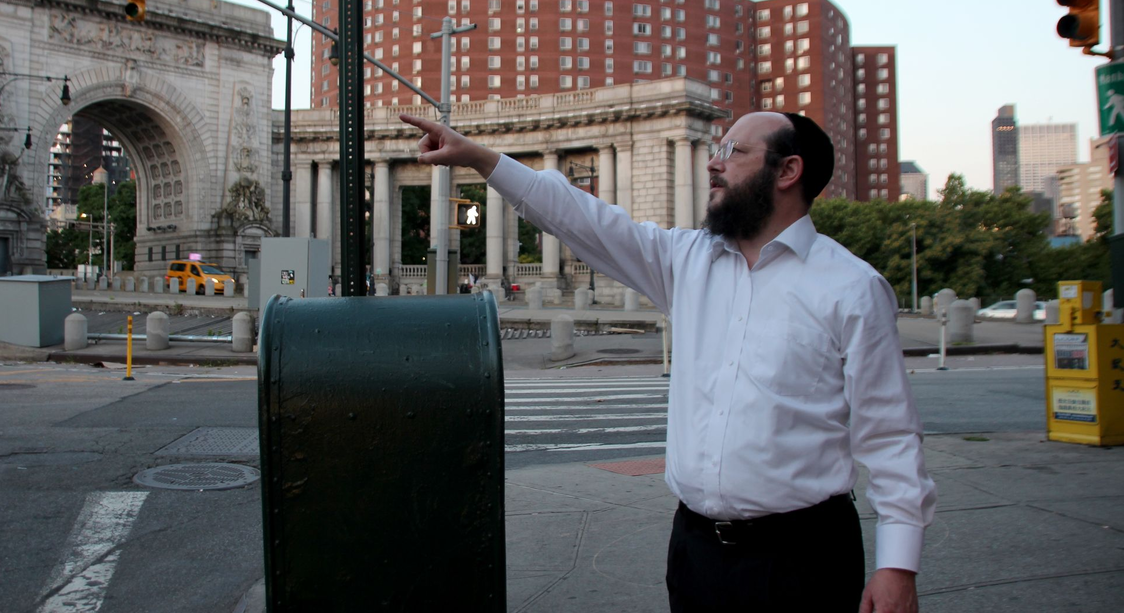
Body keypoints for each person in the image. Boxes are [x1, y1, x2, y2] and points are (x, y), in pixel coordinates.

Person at [400, 110, 935, 612]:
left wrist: (898, 565)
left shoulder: (851, 287)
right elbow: (582, 218)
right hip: (696, 552)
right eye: (716, 149)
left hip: (804, 557)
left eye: (733, 151)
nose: (713, 163)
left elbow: (890, 434)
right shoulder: (687, 260)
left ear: (788, 171)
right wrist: (481, 158)